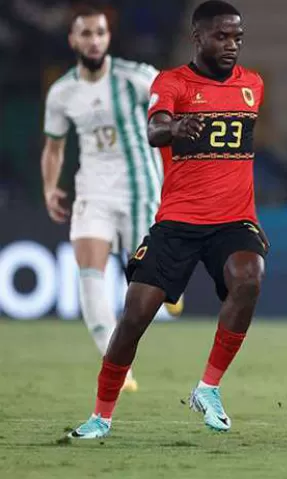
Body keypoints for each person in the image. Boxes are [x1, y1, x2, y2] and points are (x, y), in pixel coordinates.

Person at [68, 0, 268, 439]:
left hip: (234, 219)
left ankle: (208, 389)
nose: (231, 45)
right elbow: (155, 129)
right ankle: (101, 416)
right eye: (221, 36)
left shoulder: (252, 85)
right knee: (135, 315)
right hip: (178, 221)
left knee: (250, 276)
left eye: (237, 37)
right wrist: (173, 129)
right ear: (197, 37)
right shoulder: (172, 82)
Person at [41, 6, 180, 395]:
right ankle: (116, 364)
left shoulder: (135, 77)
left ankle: (172, 285)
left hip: (141, 189)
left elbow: (173, 98)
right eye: (86, 34)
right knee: (89, 271)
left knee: (149, 279)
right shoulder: (63, 92)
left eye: (100, 33)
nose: (94, 40)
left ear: (108, 37)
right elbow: (54, 147)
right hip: (93, 191)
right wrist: (50, 188)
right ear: (73, 40)